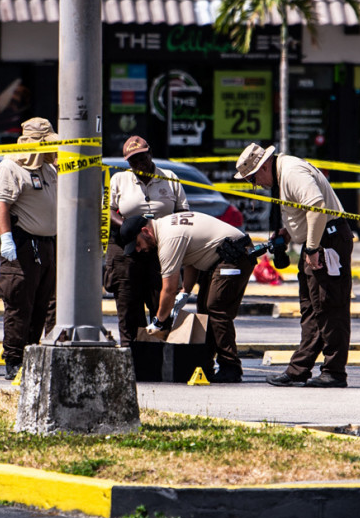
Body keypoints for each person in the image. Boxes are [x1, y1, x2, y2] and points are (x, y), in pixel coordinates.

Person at [234, 143, 353, 388]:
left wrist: (311, 248)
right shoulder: (281, 173)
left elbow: (317, 207)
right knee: (311, 308)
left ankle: (334, 372)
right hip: (319, 239)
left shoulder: (291, 172)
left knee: (329, 306)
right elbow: (303, 210)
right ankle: (299, 368)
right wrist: (288, 233)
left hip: (326, 241)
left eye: (253, 179)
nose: (255, 185)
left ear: (264, 166)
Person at [119, 211, 255, 383]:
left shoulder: (168, 240)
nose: (139, 250)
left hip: (236, 255)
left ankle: (230, 367)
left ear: (146, 232)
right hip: (223, 256)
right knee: (205, 309)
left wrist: (159, 321)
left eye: (137, 244)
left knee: (216, 308)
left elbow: (168, 289)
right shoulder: (167, 227)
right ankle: (206, 365)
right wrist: (185, 291)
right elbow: (192, 259)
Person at [106, 136, 189, 347]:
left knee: (160, 300)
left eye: (142, 159)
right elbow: (106, 210)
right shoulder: (118, 180)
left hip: (162, 247)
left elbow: (183, 213)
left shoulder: (170, 177)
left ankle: (160, 353)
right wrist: (127, 225)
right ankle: (131, 353)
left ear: (150, 154)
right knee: (128, 304)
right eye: (133, 162)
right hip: (127, 247)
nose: (139, 165)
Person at [0, 117, 59, 380]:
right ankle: (14, 359)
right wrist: (6, 237)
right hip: (21, 244)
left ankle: (31, 357)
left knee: (42, 304)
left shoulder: (48, 168)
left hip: (45, 245)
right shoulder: (10, 167)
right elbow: (2, 205)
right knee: (19, 303)